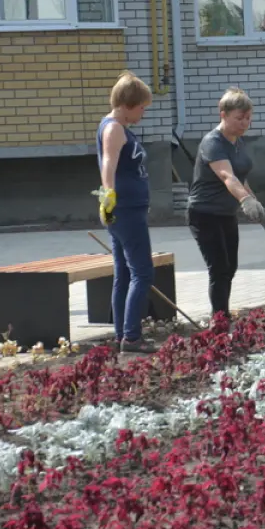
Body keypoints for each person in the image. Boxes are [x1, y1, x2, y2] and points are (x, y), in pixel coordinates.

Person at [186, 87, 265, 319]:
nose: (245, 123)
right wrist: (245, 200)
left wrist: (254, 200)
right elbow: (227, 176)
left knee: (230, 267)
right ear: (223, 114)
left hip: (225, 213)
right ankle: (219, 320)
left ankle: (222, 314)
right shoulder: (213, 142)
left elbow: (240, 176)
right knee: (219, 268)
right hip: (204, 213)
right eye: (239, 118)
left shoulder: (237, 142)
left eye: (248, 118)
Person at [96, 71, 156, 354]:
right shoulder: (114, 128)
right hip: (126, 211)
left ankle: (123, 334)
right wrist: (108, 196)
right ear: (128, 103)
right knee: (142, 273)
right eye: (141, 106)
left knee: (123, 274)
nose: (143, 111)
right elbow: (108, 163)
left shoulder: (118, 127)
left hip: (128, 209)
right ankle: (132, 338)